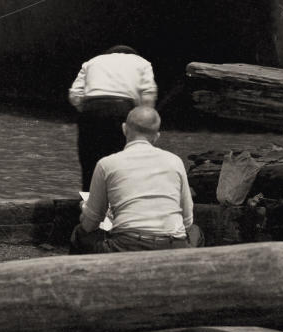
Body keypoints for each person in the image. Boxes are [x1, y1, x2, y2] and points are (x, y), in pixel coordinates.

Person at [69, 106, 201, 254]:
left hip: (125, 246)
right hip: (172, 246)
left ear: (124, 129)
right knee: (196, 232)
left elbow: (90, 225)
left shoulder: (106, 164)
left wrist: (85, 209)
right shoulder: (175, 162)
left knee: (79, 233)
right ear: (156, 136)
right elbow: (188, 221)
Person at [68, 44, 157, 190]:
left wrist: (88, 109)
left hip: (91, 108)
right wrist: (144, 119)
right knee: (122, 160)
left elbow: (75, 94)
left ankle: (89, 199)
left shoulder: (92, 62)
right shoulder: (142, 63)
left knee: (89, 160)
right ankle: (120, 197)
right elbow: (148, 95)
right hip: (122, 109)